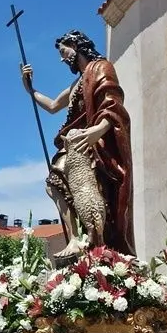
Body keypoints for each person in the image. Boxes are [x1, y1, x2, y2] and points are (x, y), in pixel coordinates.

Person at [21, 29, 134, 256]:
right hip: (75, 143)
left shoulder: (102, 67)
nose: (63, 59)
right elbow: (53, 106)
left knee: (91, 193)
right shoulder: (76, 84)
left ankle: (97, 240)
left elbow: (113, 102)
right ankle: (74, 239)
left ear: (76, 45)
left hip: (96, 144)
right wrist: (29, 89)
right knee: (54, 183)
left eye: (64, 51)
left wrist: (98, 130)